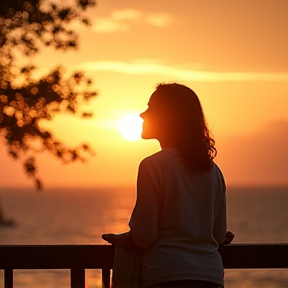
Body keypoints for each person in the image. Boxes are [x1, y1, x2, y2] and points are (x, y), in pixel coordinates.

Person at [102, 83, 234, 288]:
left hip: (166, 275)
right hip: (210, 276)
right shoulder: (213, 171)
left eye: (151, 109)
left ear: (169, 118)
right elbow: (217, 236)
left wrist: (126, 239)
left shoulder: (152, 166)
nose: (142, 115)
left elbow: (144, 236)